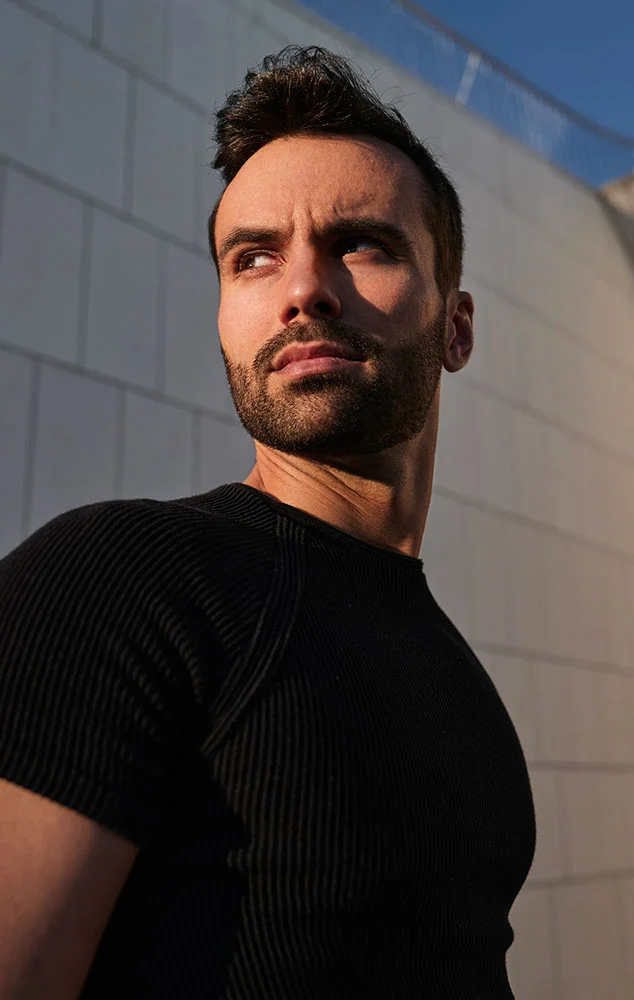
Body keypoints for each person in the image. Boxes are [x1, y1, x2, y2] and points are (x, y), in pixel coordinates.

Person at [0, 46, 535, 1000]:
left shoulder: (463, 685)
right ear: (222, 318)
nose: (303, 290)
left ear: (455, 327)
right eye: (253, 258)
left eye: (362, 243)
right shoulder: (119, 582)